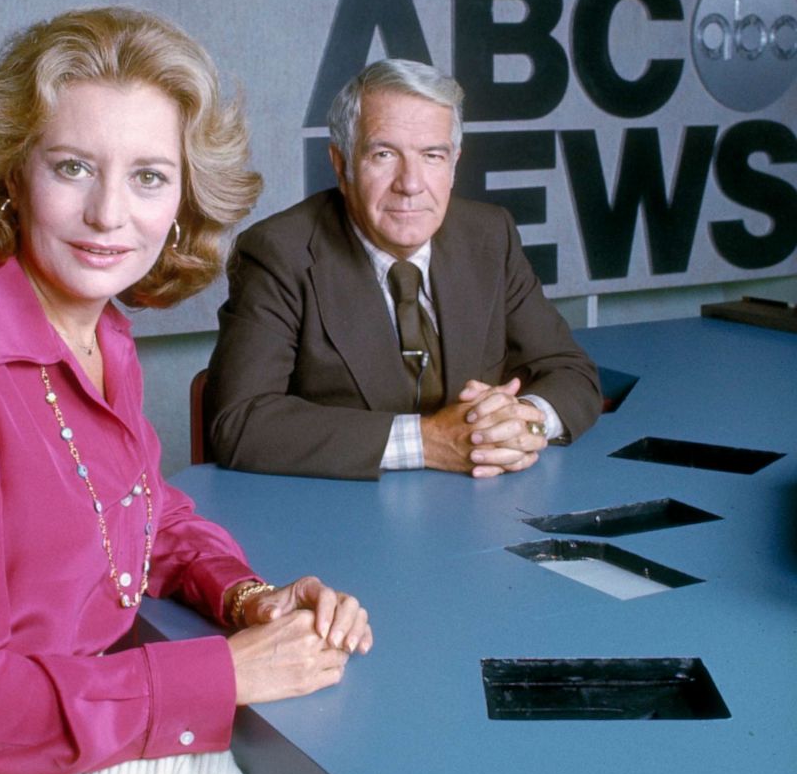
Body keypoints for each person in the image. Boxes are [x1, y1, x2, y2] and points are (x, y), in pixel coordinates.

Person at [0, 8, 371, 774]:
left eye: (148, 176)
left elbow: (142, 515)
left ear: (183, 196)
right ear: (11, 173)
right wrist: (229, 673)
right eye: (72, 167)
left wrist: (250, 599)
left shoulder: (98, 326)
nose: (111, 215)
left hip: (70, 731)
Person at [206, 58, 601, 481]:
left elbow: (570, 371)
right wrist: (428, 441)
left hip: (484, 505)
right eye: (384, 154)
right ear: (341, 166)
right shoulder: (278, 252)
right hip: (344, 518)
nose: (410, 184)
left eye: (432, 155)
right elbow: (241, 422)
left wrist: (522, 422)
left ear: (454, 165)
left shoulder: (489, 235)